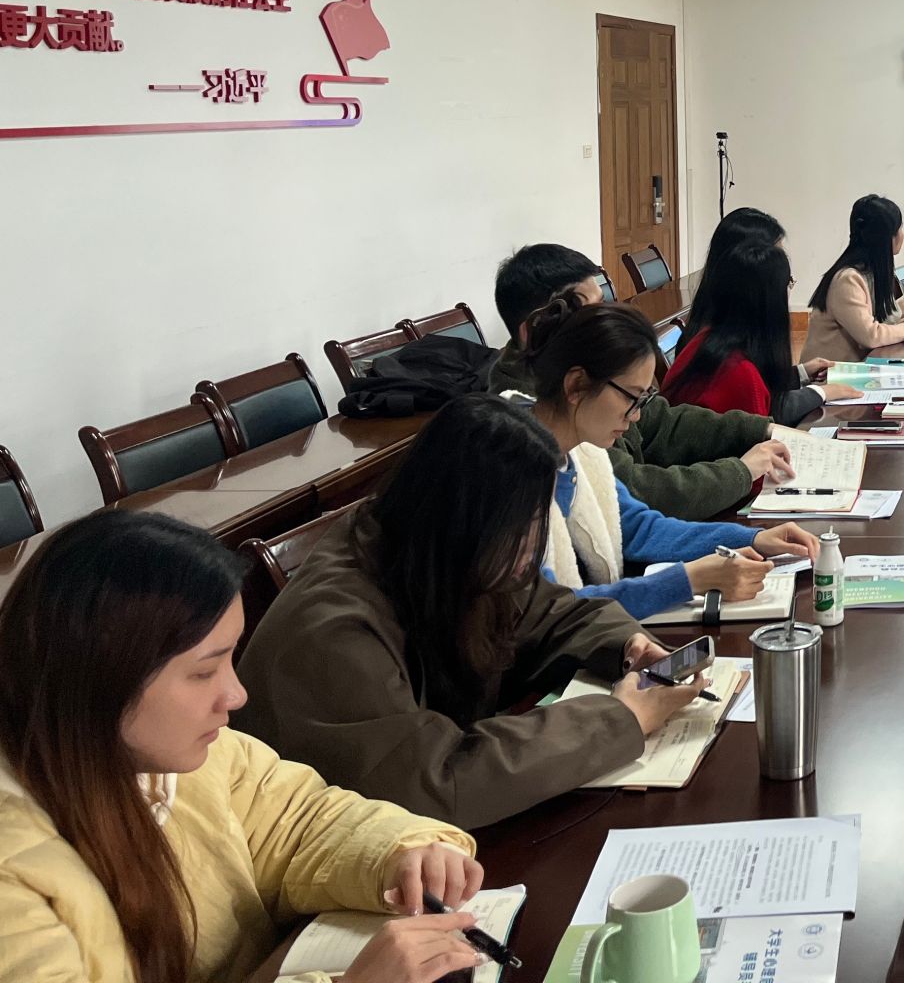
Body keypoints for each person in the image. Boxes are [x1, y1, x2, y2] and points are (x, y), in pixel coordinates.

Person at [0, 510, 489, 983]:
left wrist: (402, 855)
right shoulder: (14, 878)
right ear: (98, 681)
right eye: (203, 672)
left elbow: (300, 822)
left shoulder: (186, 756)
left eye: (229, 659)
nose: (236, 695)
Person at [235, 395, 707, 830]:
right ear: (461, 517)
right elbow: (433, 780)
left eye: (537, 522)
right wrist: (618, 720)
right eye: (521, 528)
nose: (532, 548)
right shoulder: (336, 631)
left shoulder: (443, 552)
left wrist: (626, 645)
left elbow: (550, 612)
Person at [519, 291, 820, 620]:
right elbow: (546, 613)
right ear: (576, 385)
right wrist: (688, 580)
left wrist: (754, 538)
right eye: (631, 398)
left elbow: (639, 527)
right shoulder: (510, 474)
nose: (636, 416)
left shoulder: (582, 453)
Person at [489, 242, 791, 519]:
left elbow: (660, 422)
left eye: (603, 303)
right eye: (588, 311)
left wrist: (760, 429)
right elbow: (635, 491)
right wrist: (740, 472)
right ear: (535, 328)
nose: (603, 319)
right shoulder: (537, 416)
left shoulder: (586, 369)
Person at [674, 210, 860, 423]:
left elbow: (763, 391)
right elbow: (764, 416)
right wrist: (821, 392)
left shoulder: (715, 334)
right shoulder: (733, 366)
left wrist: (799, 374)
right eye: (784, 282)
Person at [806, 195, 904, 362]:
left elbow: (876, 318)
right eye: (900, 228)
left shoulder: (870, 271)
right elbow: (871, 336)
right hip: (827, 374)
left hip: (853, 368)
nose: (902, 234)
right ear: (886, 237)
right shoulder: (847, 280)